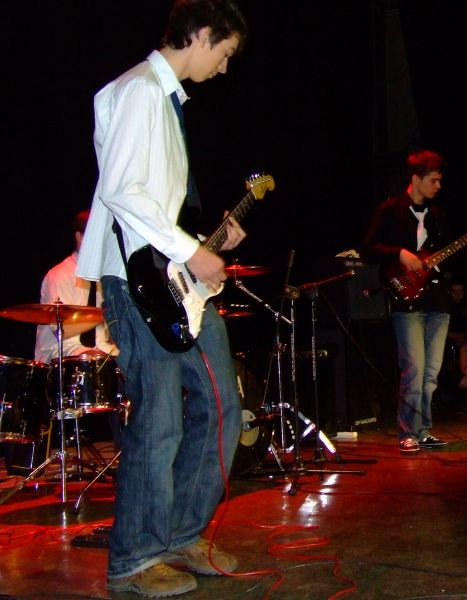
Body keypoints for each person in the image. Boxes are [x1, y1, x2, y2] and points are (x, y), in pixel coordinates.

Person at [75, 1, 248, 596]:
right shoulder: (138, 91)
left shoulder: (166, 99)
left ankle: (180, 535)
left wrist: (205, 239)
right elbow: (123, 191)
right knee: (159, 420)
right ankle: (134, 558)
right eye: (225, 52)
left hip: (173, 283)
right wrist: (192, 251)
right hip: (136, 284)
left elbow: (158, 203)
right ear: (201, 34)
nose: (224, 67)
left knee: (224, 407)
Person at [361, 149, 467, 453]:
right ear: (416, 178)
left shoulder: (437, 214)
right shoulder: (389, 209)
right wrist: (399, 253)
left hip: (437, 300)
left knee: (431, 374)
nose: (439, 186)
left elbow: (450, 255)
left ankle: (423, 430)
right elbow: (368, 248)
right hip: (406, 301)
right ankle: (407, 433)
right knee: (413, 369)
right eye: (434, 180)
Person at [34, 210, 117, 363]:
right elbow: (62, 331)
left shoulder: (105, 277)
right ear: (80, 237)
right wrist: (101, 316)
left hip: (101, 351)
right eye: (99, 236)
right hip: (60, 353)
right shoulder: (60, 275)